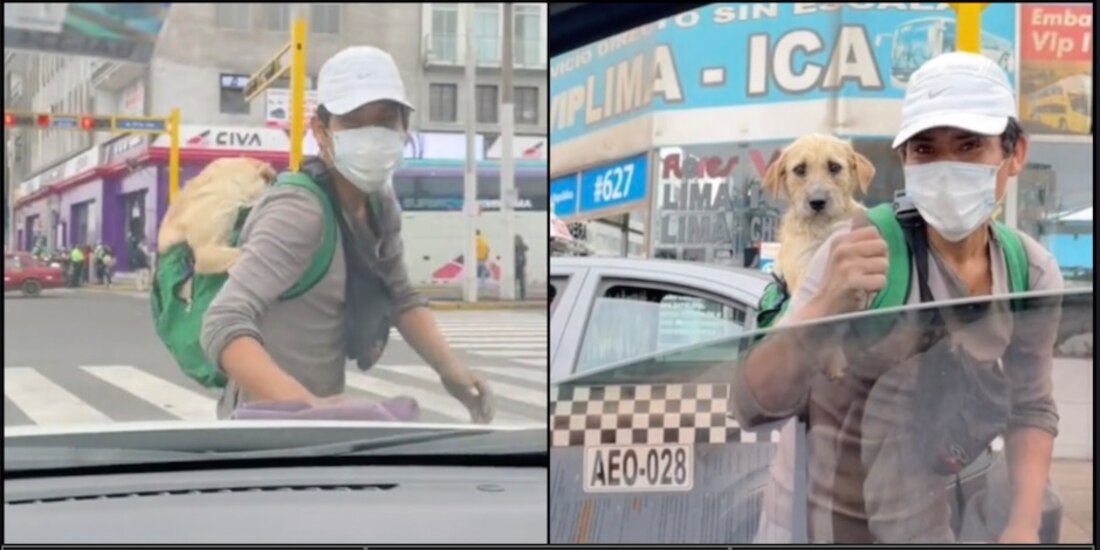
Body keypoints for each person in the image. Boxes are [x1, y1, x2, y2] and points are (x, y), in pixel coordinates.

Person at [730, 52, 1061, 544]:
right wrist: (823, 307)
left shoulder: (1027, 270)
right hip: (818, 525)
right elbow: (751, 404)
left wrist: (1022, 525)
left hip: (933, 519)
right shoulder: (854, 248)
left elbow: (1031, 405)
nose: (946, 167)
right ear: (905, 160)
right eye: (925, 149)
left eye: (969, 146)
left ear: (1014, 155)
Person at [201, 46, 494, 422]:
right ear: (321, 132)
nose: (372, 136)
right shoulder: (299, 210)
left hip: (323, 427)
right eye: (353, 122)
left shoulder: (379, 204)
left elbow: (400, 296)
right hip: (265, 429)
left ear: (405, 127)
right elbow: (222, 320)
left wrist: (451, 372)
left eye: (385, 121)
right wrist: (307, 408)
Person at [514, 234, 528, 300]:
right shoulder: (520, 248)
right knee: (520, 282)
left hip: (518, 266)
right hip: (518, 266)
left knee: (521, 282)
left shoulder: (520, 248)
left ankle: (522, 296)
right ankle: (522, 296)